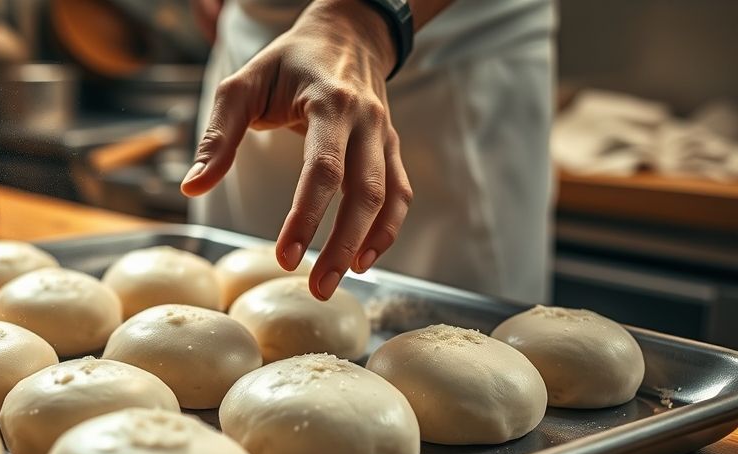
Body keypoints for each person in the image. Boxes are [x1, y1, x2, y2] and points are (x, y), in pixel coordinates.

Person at [182, 0, 556, 303]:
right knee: (226, 318)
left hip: (439, 60)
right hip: (255, 51)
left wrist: (363, 20)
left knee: (467, 363)